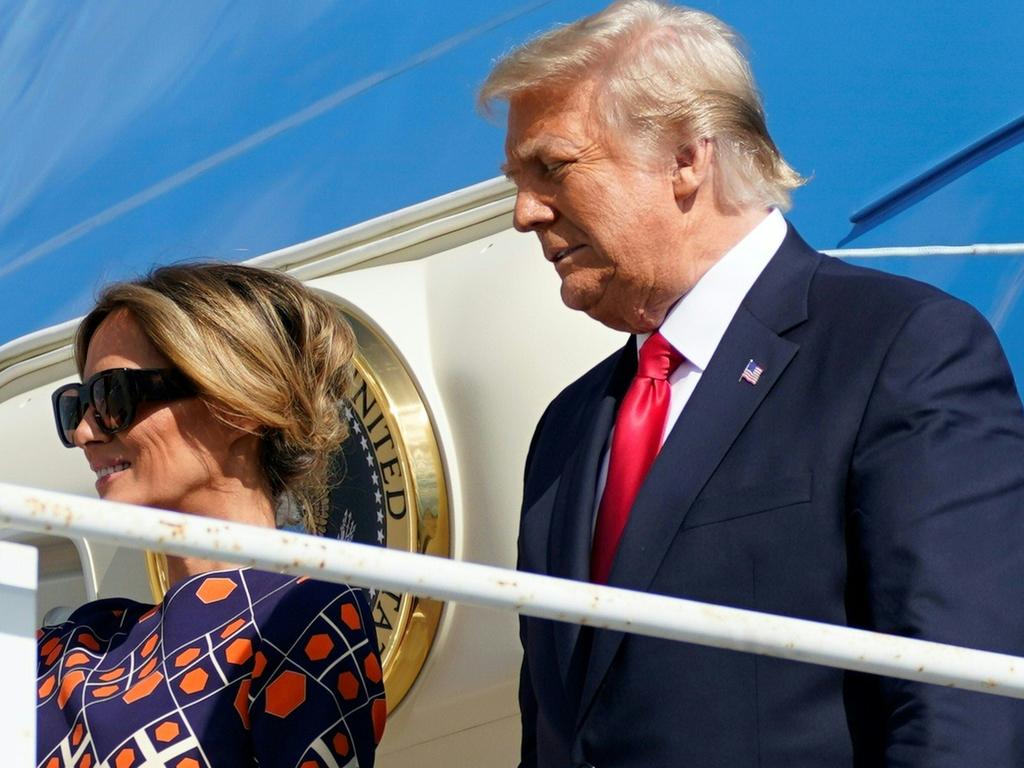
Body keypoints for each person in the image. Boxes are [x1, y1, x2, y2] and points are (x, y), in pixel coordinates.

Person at [480, 1, 1024, 766]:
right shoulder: (569, 430)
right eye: (518, 178)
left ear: (685, 158)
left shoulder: (900, 352)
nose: (524, 212)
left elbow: (964, 707)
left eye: (553, 167)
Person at [37, 264, 386, 767]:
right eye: (77, 406)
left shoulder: (302, 613)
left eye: (112, 397)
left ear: (237, 405)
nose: (85, 433)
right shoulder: (74, 645)